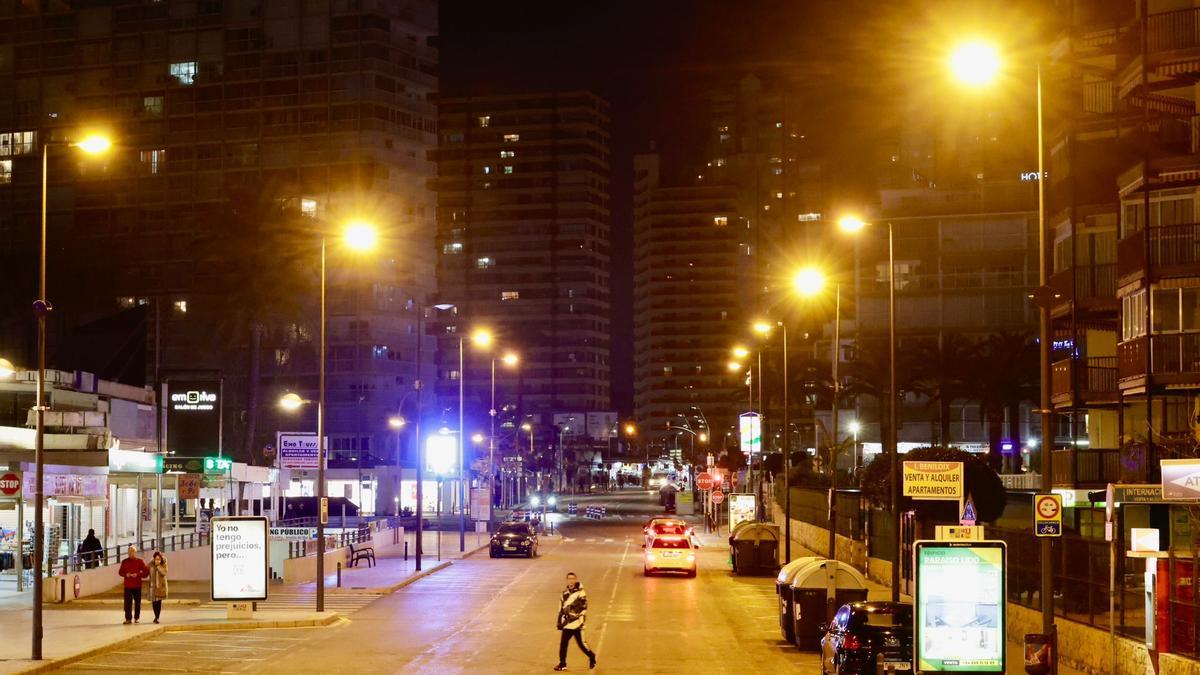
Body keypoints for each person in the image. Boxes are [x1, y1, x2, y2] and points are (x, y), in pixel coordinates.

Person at [554, 572, 596, 671]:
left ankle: (591, 656)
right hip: (567, 623)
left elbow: (584, 607)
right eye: (569, 579)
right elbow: (560, 608)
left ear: (576, 580)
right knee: (563, 644)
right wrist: (559, 621)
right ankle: (562, 664)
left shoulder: (581, 593)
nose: (571, 581)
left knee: (581, 645)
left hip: (577, 623)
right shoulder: (564, 593)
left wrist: (578, 618)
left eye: (573, 579)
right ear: (567, 580)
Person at [117, 545, 149, 624]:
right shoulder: (124, 561)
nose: (130, 553)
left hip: (137, 585)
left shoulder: (140, 561)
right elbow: (120, 572)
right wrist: (126, 574)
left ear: (135, 552)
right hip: (127, 586)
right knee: (127, 603)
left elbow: (146, 572)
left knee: (137, 603)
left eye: (132, 551)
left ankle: (137, 618)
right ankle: (128, 619)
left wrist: (137, 574)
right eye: (129, 552)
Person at [148, 551, 168, 624]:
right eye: (156, 559)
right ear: (154, 559)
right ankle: (156, 616)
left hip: (160, 587)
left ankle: (157, 617)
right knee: (154, 603)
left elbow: (164, 572)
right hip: (152, 587)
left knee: (158, 602)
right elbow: (146, 570)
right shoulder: (151, 565)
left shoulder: (163, 564)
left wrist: (158, 566)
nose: (157, 560)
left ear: (161, 559)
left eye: (159, 559)